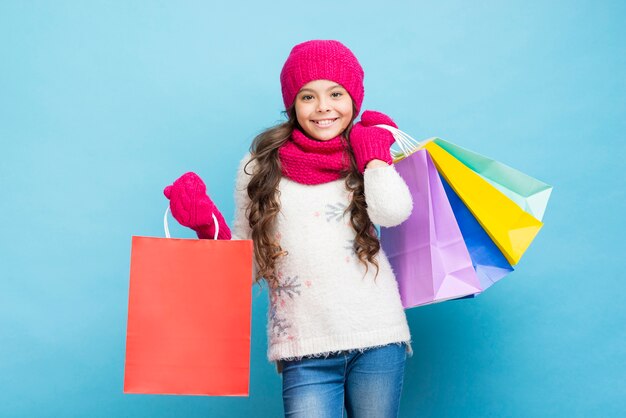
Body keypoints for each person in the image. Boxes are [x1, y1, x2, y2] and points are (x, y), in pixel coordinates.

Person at [164, 39, 414, 418]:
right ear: (292, 104)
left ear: (355, 98)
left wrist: (375, 157)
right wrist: (207, 227)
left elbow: (393, 212)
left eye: (336, 93)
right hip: (303, 345)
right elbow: (245, 267)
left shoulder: (365, 151)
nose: (324, 107)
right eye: (307, 96)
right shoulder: (261, 165)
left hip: (378, 337)